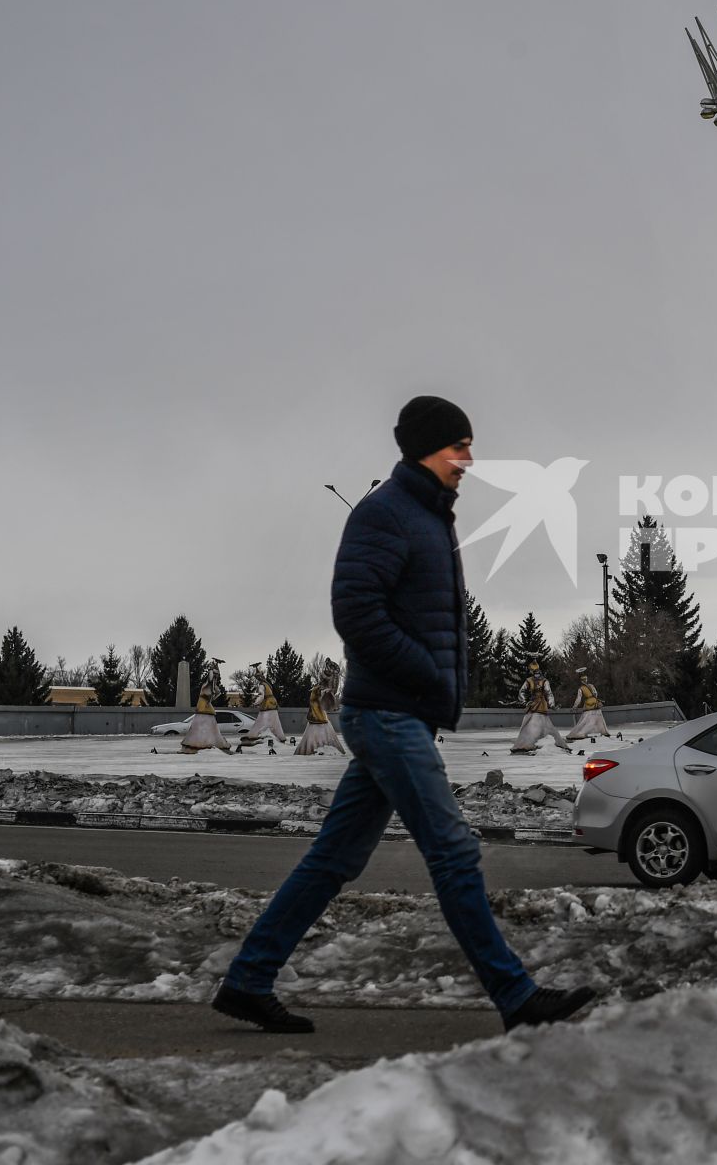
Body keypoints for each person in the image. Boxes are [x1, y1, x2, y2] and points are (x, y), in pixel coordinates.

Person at [214, 396, 593, 1035]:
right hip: (386, 713)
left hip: (399, 714)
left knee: (333, 859)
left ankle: (249, 979)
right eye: (457, 447)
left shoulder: (428, 516)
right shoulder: (384, 513)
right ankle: (516, 996)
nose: (468, 460)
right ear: (424, 448)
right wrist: (424, 671)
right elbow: (356, 613)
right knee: (453, 851)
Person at [511, 661, 568, 753]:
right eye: (535, 672)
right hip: (532, 704)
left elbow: (549, 693)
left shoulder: (544, 681)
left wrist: (552, 704)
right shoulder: (529, 680)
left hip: (541, 704)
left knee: (541, 723)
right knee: (530, 724)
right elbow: (522, 691)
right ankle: (529, 742)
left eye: (538, 672)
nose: (537, 674)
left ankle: (539, 742)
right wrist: (525, 702)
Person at [566, 668, 612, 743]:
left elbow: (578, 699)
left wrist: (574, 707)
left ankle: (581, 733)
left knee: (585, 721)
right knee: (600, 720)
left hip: (588, 704)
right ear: (586, 679)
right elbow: (596, 694)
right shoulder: (591, 686)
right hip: (595, 703)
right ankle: (604, 732)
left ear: (581, 681)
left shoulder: (581, 688)